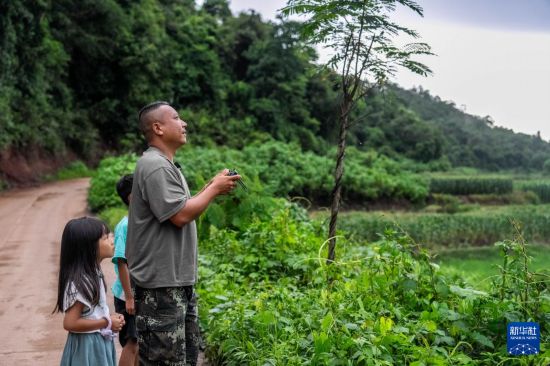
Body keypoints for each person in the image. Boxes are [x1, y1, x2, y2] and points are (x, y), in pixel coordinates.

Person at [127, 101, 240, 365]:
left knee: (185, 359)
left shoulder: (165, 164)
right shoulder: (155, 166)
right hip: (161, 286)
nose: (184, 123)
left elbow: (180, 207)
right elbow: (180, 216)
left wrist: (211, 185)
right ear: (158, 128)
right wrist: (213, 190)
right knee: (164, 360)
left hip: (176, 282)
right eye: (177, 118)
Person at [54, 217, 125, 366]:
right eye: (106, 237)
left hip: (97, 341)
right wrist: (107, 322)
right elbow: (71, 323)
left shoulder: (94, 272)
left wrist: (107, 317)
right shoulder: (81, 282)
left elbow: (92, 312)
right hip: (87, 347)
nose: (112, 239)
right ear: (89, 247)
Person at [111, 174, 139, 366]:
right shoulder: (125, 226)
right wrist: (129, 297)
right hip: (126, 296)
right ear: (131, 197)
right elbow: (122, 262)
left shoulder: (140, 223)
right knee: (132, 343)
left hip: (137, 294)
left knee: (139, 343)